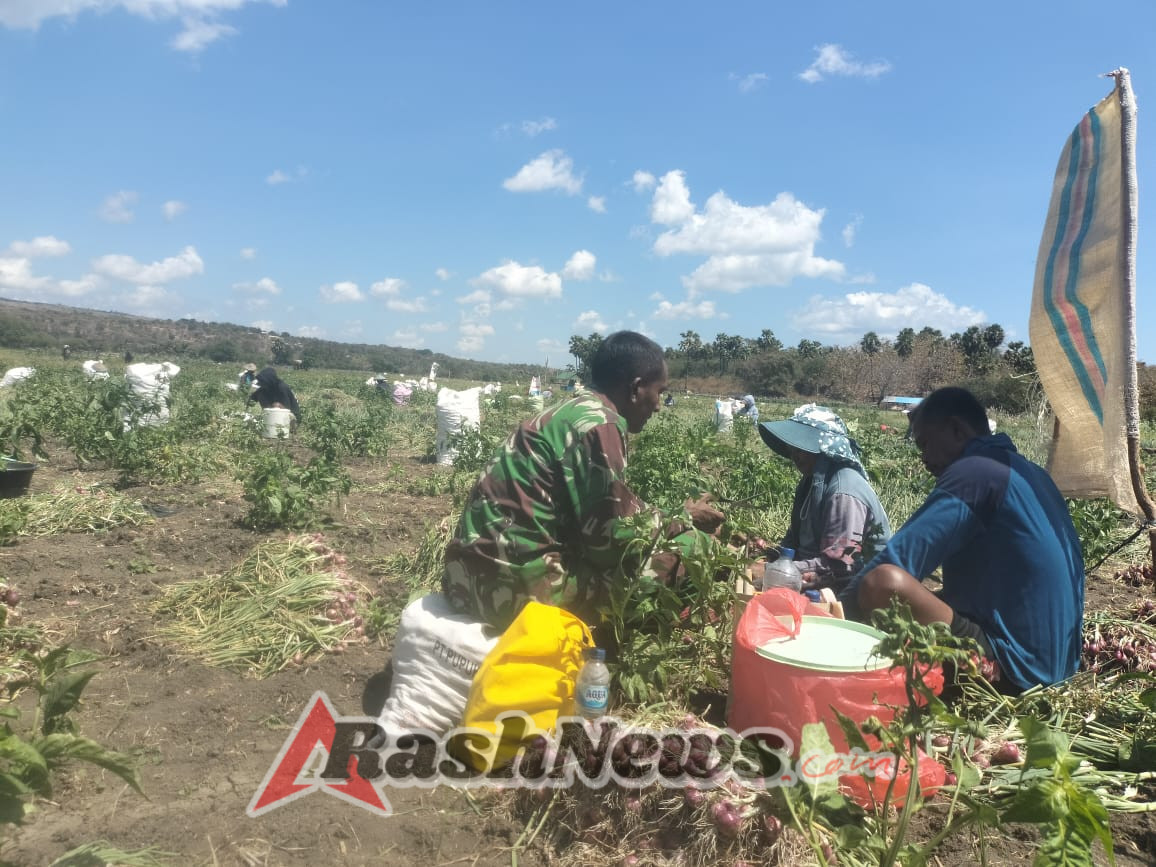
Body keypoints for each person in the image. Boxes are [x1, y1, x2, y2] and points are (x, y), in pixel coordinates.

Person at [442, 331, 725, 631]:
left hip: (463, 581)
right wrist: (683, 521)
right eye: (659, 392)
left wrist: (673, 515)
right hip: (514, 596)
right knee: (692, 546)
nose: (658, 405)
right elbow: (609, 546)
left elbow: (607, 512)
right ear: (636, 388)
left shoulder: (567, 413)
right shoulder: (601, 424)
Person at [840, 387, 1084, 692]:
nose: (925, 459)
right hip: (1061, 665)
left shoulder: (976, 471)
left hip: (1016, 669)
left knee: (882, 584)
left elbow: (901, 559)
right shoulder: (1030, 473)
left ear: (956, 429)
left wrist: (836, 613)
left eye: (926, 443)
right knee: (927, 595)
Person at [758, 404, 891, 589]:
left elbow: (840, 565)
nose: (796, 456)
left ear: (824, 449)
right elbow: (793, 540)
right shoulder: (812, 482)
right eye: (793, 449)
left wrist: (775, 570)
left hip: (852, 587)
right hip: (815, 572)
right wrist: (772, 555)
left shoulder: (843, 492)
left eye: (802, 449)